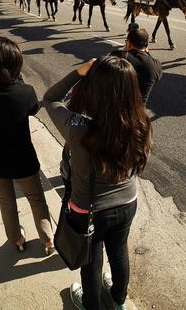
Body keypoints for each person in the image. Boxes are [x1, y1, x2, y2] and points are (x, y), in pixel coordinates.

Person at [43, 56, 153, 310]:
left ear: (95, 87)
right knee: (119, 252)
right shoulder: (141, 122)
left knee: (91, 262)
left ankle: (91, 305)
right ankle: (118, 299)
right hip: (127, 202)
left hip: (88, 211)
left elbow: (50, 98)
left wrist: (78, 73)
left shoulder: (78, 126)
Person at [0, 37, 55, 255]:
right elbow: (33, 109)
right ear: (17, 64)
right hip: (22, 160)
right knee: (37, 200)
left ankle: (16, 239)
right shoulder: (24, 92)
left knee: (6, 203)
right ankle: (47, 240)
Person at [60, 26, 161, 201]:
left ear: (128, 43)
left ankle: (70, 168)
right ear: (147, 45)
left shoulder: (120, 57)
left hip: (108, 110)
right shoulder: (155, 66)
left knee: (83, 140)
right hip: (137, 115)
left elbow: (103, 68)